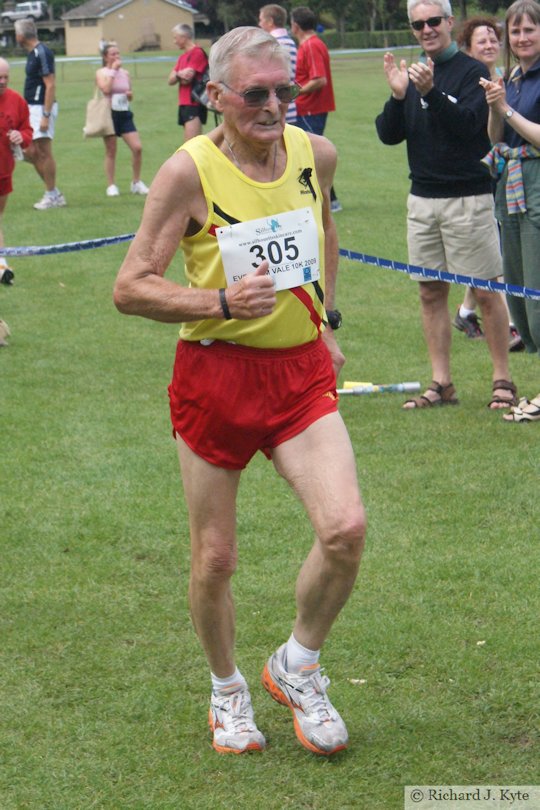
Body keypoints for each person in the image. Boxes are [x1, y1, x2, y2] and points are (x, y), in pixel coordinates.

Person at [113, 26, 366, 756]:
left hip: (298, 375)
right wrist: (220, 304)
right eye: (255, 94)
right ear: (215, 95)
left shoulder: (315, 154)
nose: (274, 105)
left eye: (285, 91)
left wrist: (323, 321)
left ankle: (299, 664)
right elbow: (130, 287)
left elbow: (320, 232)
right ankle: (227, 690)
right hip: (216, 376)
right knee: (215, 557)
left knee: (345, 529)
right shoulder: (186, 172)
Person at [375, 0, 517, 411]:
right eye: (418, 24)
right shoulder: (414, 72)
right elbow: (388, 135)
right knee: (430, 292)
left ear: (450, 23)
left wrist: (429, 93)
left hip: (467, 197)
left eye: (433, 21)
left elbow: (471, 130)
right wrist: (398, 95)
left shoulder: (473, 71)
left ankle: (502, 380)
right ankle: (442, 383)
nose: (426, 29)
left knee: (486, 291)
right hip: (422, 199)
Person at [480, 0, 540, 423]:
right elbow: (495, 135)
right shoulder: (512, 77)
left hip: (537, 186)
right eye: (515, 32)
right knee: (519, 289)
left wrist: (506, 108)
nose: (522, 38)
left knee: (538, 289)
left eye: (530, 30)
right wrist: (494, 104)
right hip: (511, 188)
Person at [452, 16, 524, 352]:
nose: (490, 44)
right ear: (466, 46)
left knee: (489, 253)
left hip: (503, 172)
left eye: (494, 39)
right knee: (496, 253)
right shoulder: (470, 81)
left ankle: (466, 311)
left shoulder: (506, 77)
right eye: (481, 40)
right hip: (477, 175)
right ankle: (512, 323)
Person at [290, 6, 342, 212]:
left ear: (295, 25)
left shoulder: (311, 46)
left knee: (310, 154)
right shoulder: (310, 44)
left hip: (311, 108)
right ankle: (326, 199)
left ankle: (329, 201)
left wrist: (295, 92)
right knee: (308, 154)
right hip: (309, 108)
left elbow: (319, 79)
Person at [14, 19, 66, 210]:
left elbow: (50, 84)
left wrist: (45, 114)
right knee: (29, 151)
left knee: (43, 152)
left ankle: (52, 195)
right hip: (32, 108)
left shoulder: (42, 52)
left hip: (41, 108)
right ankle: (54, 192)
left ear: (20, 36)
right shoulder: (32, 54)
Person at [95, 43, 149, 197]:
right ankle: (111, 185)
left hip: (124, 113)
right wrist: (113, 71)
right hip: (109, 114)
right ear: (105, 57)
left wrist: (129, 95)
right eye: (112, 54)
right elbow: (105, 89)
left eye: (118, 53)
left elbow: (128, 93)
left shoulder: (125, 73)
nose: (116, 57)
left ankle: (136, 182)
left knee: (137, 148)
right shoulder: (102, 72)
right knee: (111, 150)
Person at [0, 57, 32, 287]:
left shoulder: (16, 101)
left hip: (4, 171)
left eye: (5, 77)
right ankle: (2, 266)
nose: (2, 81)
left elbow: (26, 130)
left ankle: (1, 266)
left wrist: (22, 137)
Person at [168, 24, 209, 142]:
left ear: (184, 37)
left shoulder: (197, 53)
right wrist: (178, 74)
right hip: (184, 104)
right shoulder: (182, 57)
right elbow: (170, 80)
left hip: (194, 103)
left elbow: (187, 80)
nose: (174, 41)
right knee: (188, 145)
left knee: (192, 145)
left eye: (175, 38)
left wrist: (178, 75)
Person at [258, 4, 297, 124]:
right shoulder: (290, 42)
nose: (259, 24)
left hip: (274, 107)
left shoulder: (271, 44)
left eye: (261, 20)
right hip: (289, 106)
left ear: (270, 21)